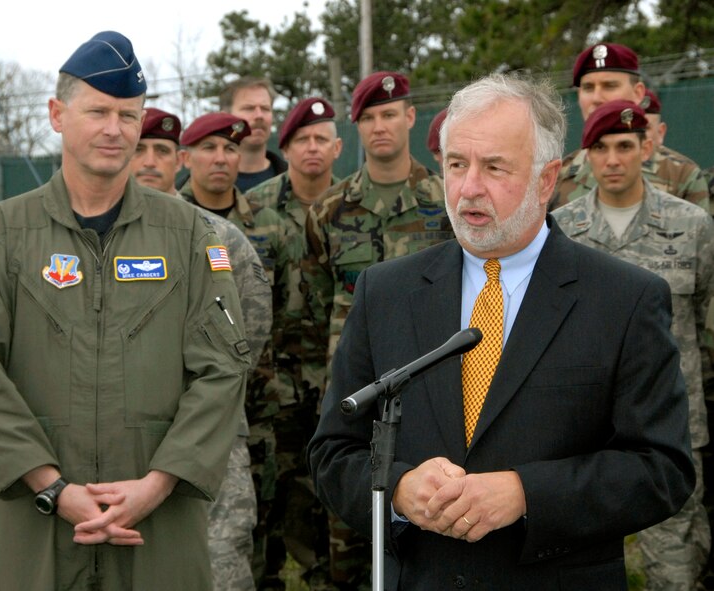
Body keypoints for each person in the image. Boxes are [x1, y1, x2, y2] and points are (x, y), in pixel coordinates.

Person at [308, 72, 695, 590]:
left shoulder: (624, 299)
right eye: (456, 165)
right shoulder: (386, 292)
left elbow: (661, 469)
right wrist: (398, 490)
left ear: (546, 178)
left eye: (494, 167)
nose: (469, 187)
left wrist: (526, 493)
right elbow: (333, 452)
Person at [0, 31, 250, 591]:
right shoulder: (3, 235)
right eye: (98, 112)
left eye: (128, 115)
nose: (115, 130)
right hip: (35, 520)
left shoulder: (187, 234)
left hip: (157, 523)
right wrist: (53, 489)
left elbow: (221, 369)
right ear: (57, 114)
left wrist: (157, 485)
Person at [552, 99, 714, 590]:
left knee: (676, 559)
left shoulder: (692, 226)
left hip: (672, 421)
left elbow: (705, 321)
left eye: (625, 145)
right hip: (583, 427)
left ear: (647, 147)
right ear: (587, 155)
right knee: (580, 559)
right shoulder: (561, 231)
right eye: (600, 148)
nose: (614, 159)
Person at [301, 71, 453, 589]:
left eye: (390, 114)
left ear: (411, 117)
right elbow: (319, 303)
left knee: (431, 518)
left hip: (434, 384)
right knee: (348, 527)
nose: (381, 126)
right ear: (357, 126)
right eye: (369, 117)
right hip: (354, 390)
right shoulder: (327, 212)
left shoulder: (445, 200)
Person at [130, 107, 272, 591]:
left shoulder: (219, 238)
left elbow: (250, 330)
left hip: (211, 433)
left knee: (218, 564)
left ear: (179, 160)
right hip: (119, 432)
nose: (150, 162)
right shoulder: (93, 239)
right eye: (139, 149)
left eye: (162, 151)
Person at [178, 111, 290, 589]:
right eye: (209, 148)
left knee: (235, 540)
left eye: (230, 148)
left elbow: (263, 315)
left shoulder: (255, 229)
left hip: (238, 404)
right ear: (188, 159)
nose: (221, 158)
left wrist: (230, 375)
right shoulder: (158, 227)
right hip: (158, 414)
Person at [245, 97, 344, 589]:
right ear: (285, 148)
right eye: (302, 139)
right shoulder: (254, 209)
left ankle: (326, 575)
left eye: (321, 138)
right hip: (272, 387)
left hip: (340, 380)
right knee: (269, 493)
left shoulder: (352, 206)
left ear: (337, 148)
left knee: (327, 491)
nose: (312, 148)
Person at [550, 42, 710, 213]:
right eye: (588, 88)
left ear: (638, 93)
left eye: (610, 86)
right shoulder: (559, 176)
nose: (596, 98)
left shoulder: (681, 175)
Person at [220, 77, 288, 192]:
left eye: (265, 108)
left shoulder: (293, 182)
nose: (259, 116)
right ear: (224, 117)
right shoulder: (200, 186)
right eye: (249, 108)